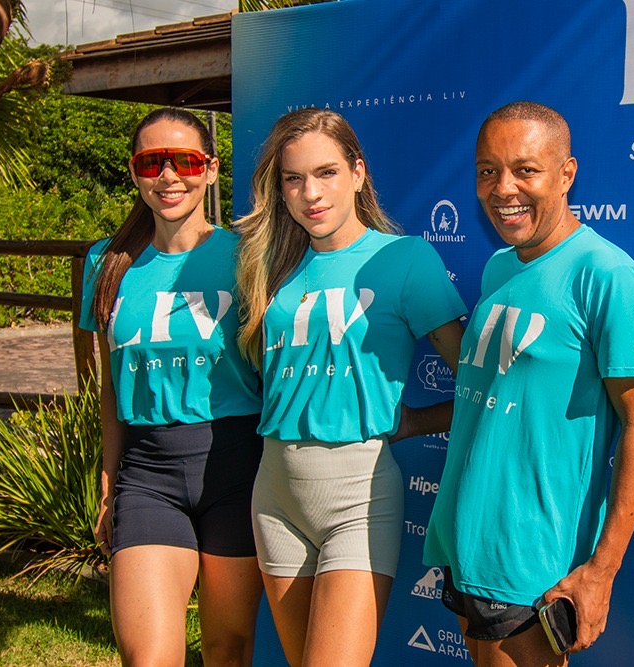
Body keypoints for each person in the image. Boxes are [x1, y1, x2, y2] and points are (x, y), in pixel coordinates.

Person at [423, 101, 634, 666]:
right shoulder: (500, 267)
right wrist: (413, 421)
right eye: (488, 170)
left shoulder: (609, 278)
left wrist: (601, 572)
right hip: (469, 536)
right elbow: (497, 398)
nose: (503, 188)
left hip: (532, 559)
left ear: (566, 173)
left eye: (525, 169)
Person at [235, 108, 466, 667]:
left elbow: (483, 389)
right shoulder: (268, 265)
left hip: (356, 497)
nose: (310, 193)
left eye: (327, 172)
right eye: (294, 179)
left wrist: (417, 421)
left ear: (358, 173)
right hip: (274, 494)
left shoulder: (404, 259)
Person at [80, 107, 264, 666]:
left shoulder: (246, 256)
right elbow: (109, 390)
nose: (168, 176)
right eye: (150, 161)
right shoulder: (105, 263)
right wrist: (110, 479)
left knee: (225, 651)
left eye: (183, 160)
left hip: (238, 465)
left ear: (210, 170)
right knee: (149, 658)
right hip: (148, 472)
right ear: (134, 172)